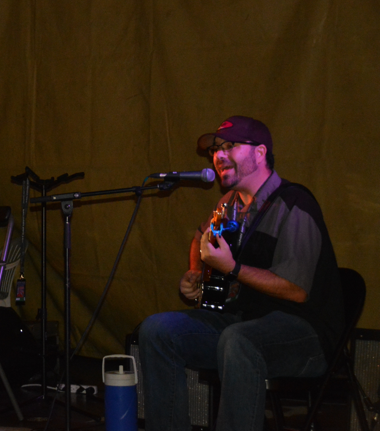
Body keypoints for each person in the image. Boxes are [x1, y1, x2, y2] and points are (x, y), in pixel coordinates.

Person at [138, 116, 344, 431]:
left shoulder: (295, 203)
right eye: (215, 150)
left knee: (238, 341)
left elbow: (297, 289)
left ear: (260, 153)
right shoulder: (229, 204)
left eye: (230, 146)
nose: (218, 156)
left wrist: (232, 268)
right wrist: (196, 273)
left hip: (303, 334)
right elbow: (200, 239)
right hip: (242, 324)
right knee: (157, 331)